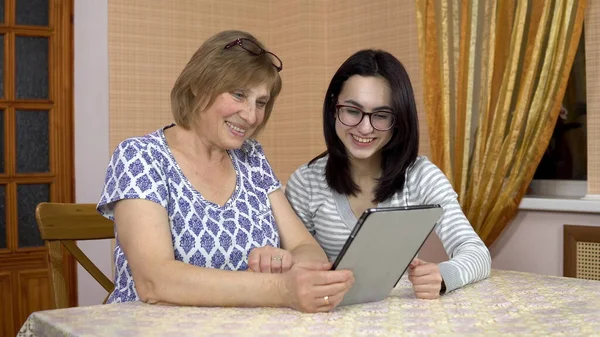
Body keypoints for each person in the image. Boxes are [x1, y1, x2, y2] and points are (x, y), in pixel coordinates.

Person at [97, 30, 353, 313]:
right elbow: (154, 282)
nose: (251, 115)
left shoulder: (251, 157)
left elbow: (308, 248)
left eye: (261, 102)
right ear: (197, 85)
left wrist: (286, 261)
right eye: (239, 94)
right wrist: (280, 288)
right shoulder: (141, 156)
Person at [285, 49, 491, 299]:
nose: (365, 127)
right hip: (325, 315)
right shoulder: (306, 182)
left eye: (381, 116)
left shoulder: (420, 176)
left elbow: (477, 252)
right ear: (333, 108)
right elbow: (293, 260)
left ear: (400, 120)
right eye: (352, 110)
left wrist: (444, 275)